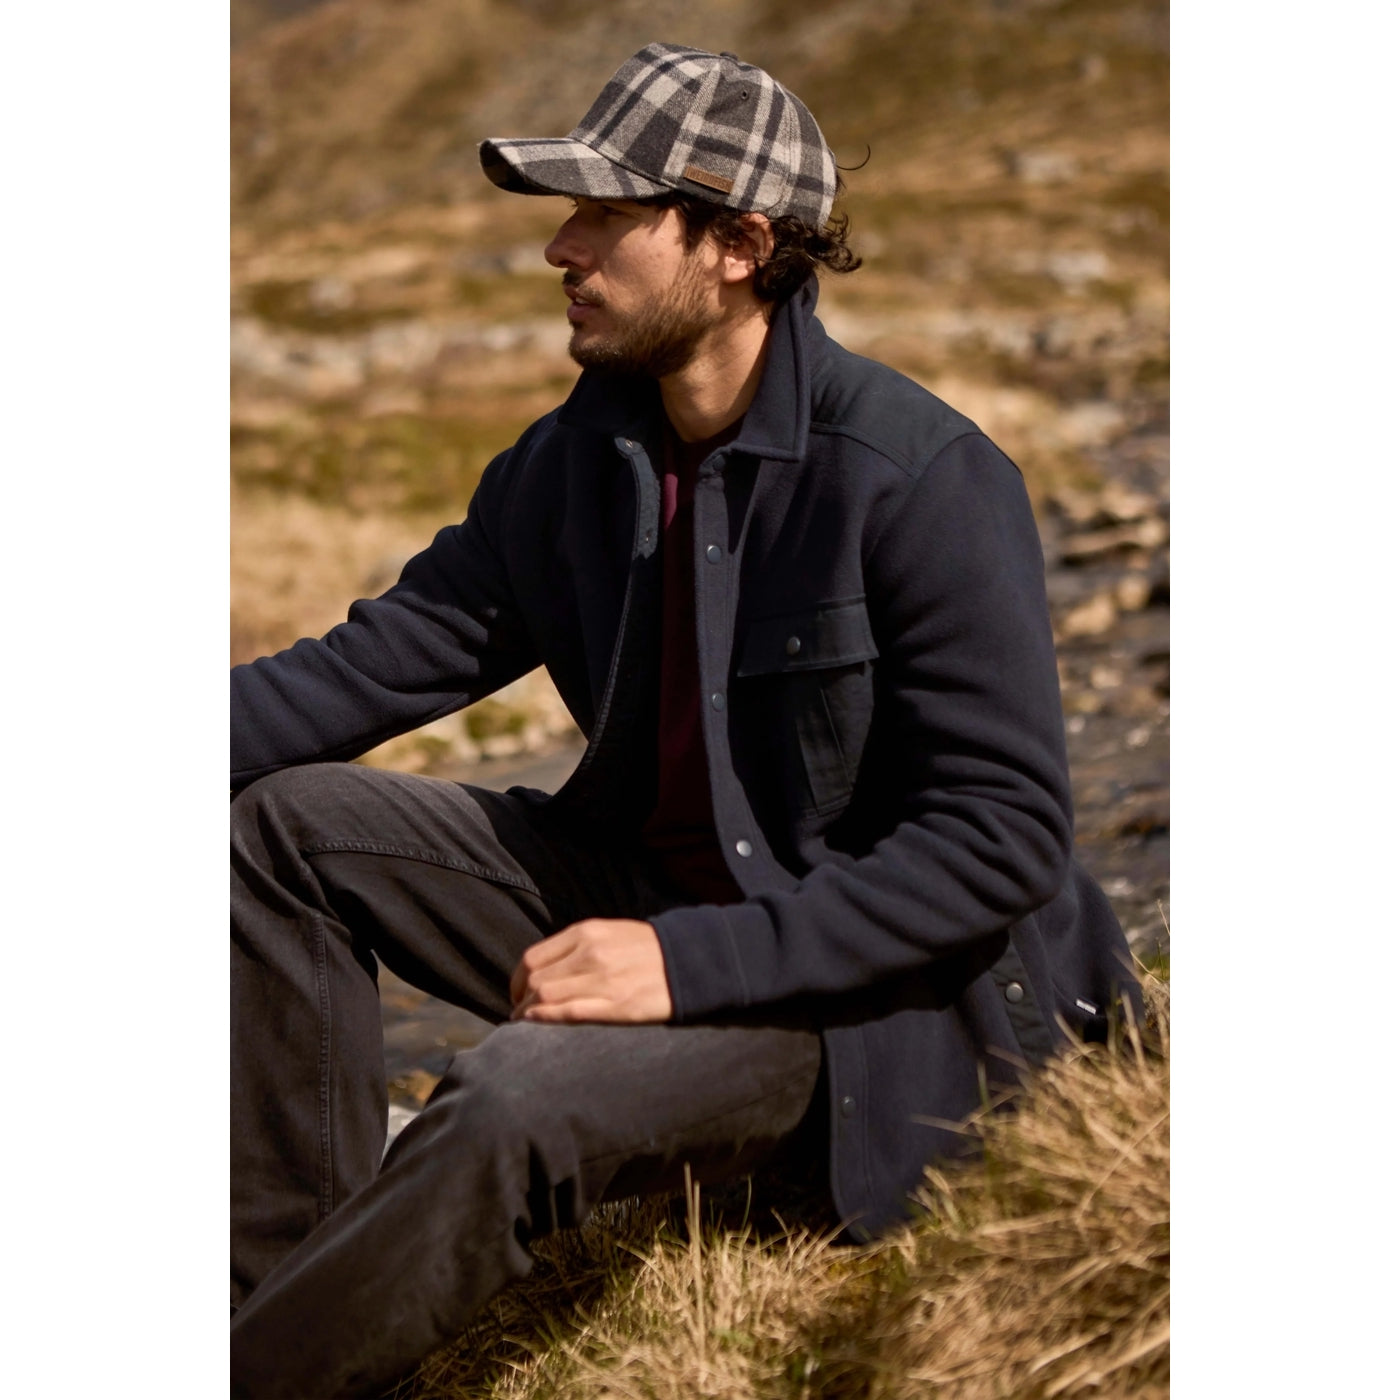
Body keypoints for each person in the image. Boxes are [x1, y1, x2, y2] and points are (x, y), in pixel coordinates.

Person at [230, 42, 1139, 1399]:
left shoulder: (920, 479)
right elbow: (368, 667)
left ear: (737, 244)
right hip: (650, 897)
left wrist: (687, 969)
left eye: (605, 214)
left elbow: (1001, 842)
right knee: (280, 828)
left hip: (864, 1006)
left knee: (511, 1100)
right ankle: (298, 1314)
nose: (560, 248)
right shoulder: (572, 465)